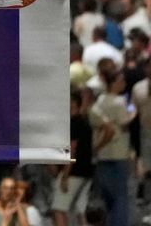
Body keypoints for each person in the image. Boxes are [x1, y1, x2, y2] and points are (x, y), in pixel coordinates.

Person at [90, 69, 134, 226]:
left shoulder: (100, 100)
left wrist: (96, 147)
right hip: (118, 154)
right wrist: (133, 111)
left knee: (107, 196)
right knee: (120, 197)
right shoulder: (119, 101)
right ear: (114, 83)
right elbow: (123, 123)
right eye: (121, 80)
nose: (124, 83)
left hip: (103, 155)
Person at [52, 89, 94, 226]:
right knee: (79, 209)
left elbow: (72, 151)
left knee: (58, 208)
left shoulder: (74, 123)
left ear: (74, 103)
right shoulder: (83, 122)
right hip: (86, 171)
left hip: (73, 172)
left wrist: (65, 174)